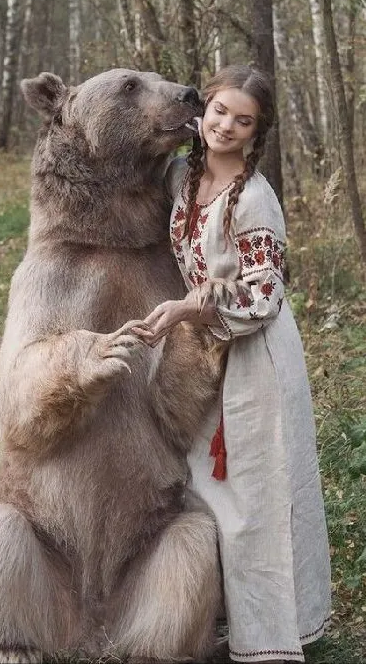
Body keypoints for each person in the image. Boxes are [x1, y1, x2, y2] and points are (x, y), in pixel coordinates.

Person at [136, 65, 331, 663]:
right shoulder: (179, 175)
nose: (226, 126)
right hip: (203, 353)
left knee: (254, 498)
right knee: (205, 491)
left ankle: (269, 635)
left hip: (255, 357)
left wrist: (189, 308)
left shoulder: (254, 197)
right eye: (220, 110)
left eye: (242, 120)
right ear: (204, 108)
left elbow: (263, 296)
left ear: (255, 132)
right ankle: (216, 617)